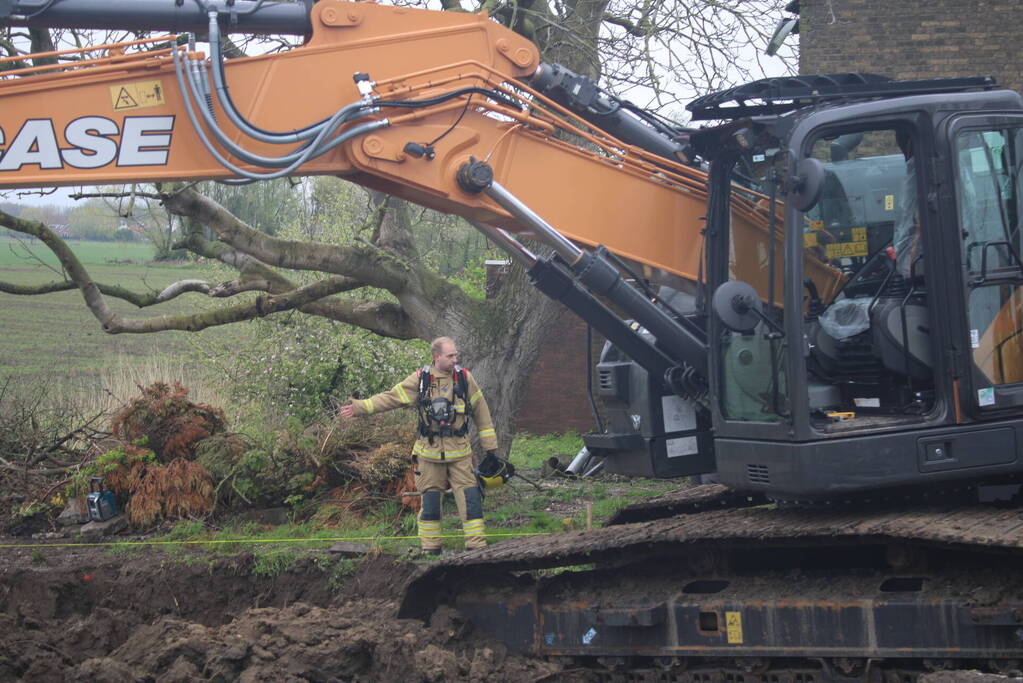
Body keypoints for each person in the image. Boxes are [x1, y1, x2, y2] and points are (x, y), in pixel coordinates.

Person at [338, 336, 499, 555]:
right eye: (450, 356)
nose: (455, 359)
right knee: (430, 501)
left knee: (470, 499)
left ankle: (476, 545)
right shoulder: (420, 379)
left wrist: (490, 447)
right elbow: (390, 398)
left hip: (460, 453)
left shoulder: (464, 378)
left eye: (456, 355)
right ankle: (431, 548)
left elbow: (482, 410)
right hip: (428, 454)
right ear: (437, 356)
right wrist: (360, 407)